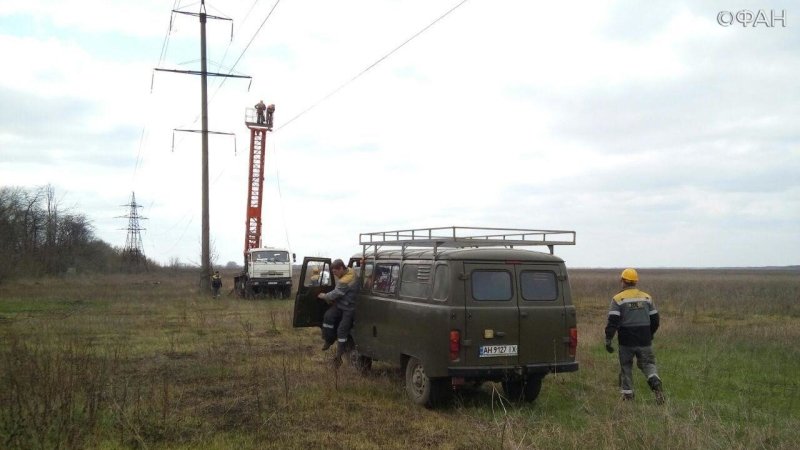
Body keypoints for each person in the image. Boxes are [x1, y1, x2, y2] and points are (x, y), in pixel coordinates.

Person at [604, 268, 665, 404]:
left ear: (623, 281)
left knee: (626, 367)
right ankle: (655, 383)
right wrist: (649, 334)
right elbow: (655, 320)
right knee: (648, 364)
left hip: (626, 342)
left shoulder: (618, 299)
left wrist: (608, 340)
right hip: (645, 340)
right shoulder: (647, 298)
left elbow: (612, 322)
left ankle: (628, 397)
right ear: (636, 282)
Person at [317, 259, 359, 368]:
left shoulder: (346, 279)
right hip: (341, 304)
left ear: (341, 268)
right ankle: (329, 340)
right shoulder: (350, 270)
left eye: (335, 272)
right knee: (328, 316)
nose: (334, 275)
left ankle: (338, 357)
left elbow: (337, 292)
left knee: (342, 331)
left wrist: (325, 296)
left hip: (349, 308)